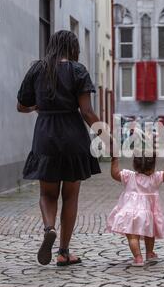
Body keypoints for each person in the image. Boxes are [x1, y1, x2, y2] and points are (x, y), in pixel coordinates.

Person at [17, 30, 103, 267]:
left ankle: (49, 228)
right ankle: (64, 252)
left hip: (45, 135)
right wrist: (106, 136)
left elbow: (21, 105)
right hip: (73, 136)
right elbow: (86, 111)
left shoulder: (37, 69)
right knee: (71, 196)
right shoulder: (78, 70)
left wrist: (40, 106)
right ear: (73, 49)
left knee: (47, 193)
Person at [107, 155, 164, 266]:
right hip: (147, 214)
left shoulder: (129, 176)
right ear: (153, 166)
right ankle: (149, 253)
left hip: (129, 212)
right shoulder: (155, 178)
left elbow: (115, 174)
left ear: (135, 165)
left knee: (132, 236)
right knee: (150, 233)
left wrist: (114, 159)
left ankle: (138, 257)